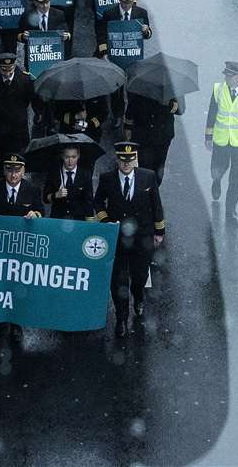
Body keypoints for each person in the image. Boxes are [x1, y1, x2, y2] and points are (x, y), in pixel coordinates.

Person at [96, 141, 164, 337]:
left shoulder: (148, 177)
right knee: (117, 280)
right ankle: (122, 318)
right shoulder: (107, 179)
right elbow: (98, 201)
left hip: (142, 236)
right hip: (116, 236)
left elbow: (156, 205)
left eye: (130, 159)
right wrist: (105, 219)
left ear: (135, 159)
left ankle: (138, 295)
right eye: (122, 160)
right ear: (117, 159)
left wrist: (159, 231)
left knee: (140, 276)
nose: (126, 164)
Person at [206, 61, 238, 225]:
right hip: (221, 141)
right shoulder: (218, 89)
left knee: (236, 179)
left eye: (230, 76)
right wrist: (208, 137)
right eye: (226, 75)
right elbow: (212, 113)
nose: (226, 78)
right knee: (217, 169)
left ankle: (231, 211)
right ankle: (216, 181)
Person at [0, 51, 40, 155]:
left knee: (19, 160)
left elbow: (28, 100)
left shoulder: (25, 79)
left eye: (10, 70)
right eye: (4, 70)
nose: (7, 74)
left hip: (18, 128)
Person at [124, 91, 181, 179]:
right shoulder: (144, 85)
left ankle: (153, 188)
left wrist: (169, 104)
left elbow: (180, 109)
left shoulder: (172, 87)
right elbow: (132, 105)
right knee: (144, 166)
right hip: (143, 134)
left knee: (158, 168)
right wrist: (128, 127)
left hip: (162, 136)